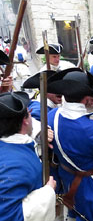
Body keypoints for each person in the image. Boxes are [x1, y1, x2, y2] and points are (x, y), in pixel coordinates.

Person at [47, 69, 93, 221]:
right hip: (91, 186)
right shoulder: (89, 129)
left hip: (69, 181)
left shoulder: (52, 116)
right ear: (86, 98)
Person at [0, 91, 56, 220]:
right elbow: (8, 215)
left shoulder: (13, 145)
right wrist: (48, 192)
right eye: (29, 113)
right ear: (25, 120)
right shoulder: (15, 164)